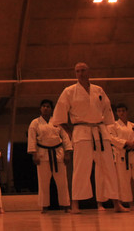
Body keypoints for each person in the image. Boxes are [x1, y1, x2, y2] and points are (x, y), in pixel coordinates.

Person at [52, 62, 126, 214]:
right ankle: (75, 204)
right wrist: (70, 132)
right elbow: (59, 116)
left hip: (100, 132)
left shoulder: (98, 90)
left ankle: (116, 203)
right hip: (81, 132)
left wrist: (108, 130)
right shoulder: (69, 91)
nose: (80, 73)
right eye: (77, 71)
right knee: (81, 169)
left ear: (89, 72)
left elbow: (107, 111)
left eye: (83, 70)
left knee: (109, 168)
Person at [27, 99, 71, 212]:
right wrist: (34, 154)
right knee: (43, 182)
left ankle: (66, 205)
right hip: (42, 154)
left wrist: (67, 153)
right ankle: (44, 206)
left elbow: (65, 138)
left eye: (48, 106)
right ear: (40, 108)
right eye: (43, 106)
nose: (45, 108)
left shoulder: (57, 122)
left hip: (58, 153)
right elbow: (31, 139)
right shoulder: (35, 123)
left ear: (52, 109)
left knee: (62, 182)